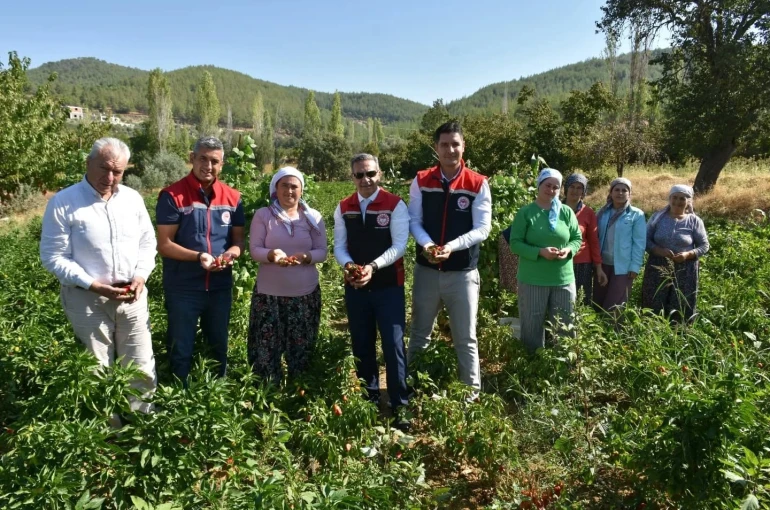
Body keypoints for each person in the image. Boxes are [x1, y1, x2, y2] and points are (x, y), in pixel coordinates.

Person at [40, 137, 157, 423]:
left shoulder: (132, 199)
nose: (110, 177)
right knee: (97, 368)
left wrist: (141, 276)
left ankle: (142, 426)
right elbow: (53, 256)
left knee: (141, 364)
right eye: (104, 169)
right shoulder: (64, 202)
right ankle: (107, 436)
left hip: (132, 297)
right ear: (88, 163)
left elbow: (147, 242)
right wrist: (93, 285)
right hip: (87, 299)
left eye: (118, 172)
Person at [407, 121, 491, 395]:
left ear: (463, 146)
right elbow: (414, 221)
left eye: (455, 144)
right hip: (427, 271)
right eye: (444, 144)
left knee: (465, 337)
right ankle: (414, 388)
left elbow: (483, 228)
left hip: (462, 272)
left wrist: (451, 247)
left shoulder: (477, 183)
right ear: (436, 148)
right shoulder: (421, 180)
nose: (450, 149)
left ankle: (470, 395)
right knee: (420, 333)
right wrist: (429, 244)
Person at [156, 136, 245, 382]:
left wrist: (230, 255)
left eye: (214, 161)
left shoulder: (233, 198)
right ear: (192, 158)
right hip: (183, 286)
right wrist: (199, 256)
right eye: (203, 158)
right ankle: (179, 398)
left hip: (219, 287)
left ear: (222, 164)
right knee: (181, 346)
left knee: (218, 345)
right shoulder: (173, 196)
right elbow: (164, 245)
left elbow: (238, 242)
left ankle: (216, 398)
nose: (208, 165)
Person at [333, 154, 410, 426]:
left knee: (393, 344)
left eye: (370, 174)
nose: (365, 180)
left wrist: (373, 267)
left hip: (388, 286)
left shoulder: (394, 205)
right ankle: (370, 400)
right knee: (362, 343)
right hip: (356, 287)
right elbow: (339, 246)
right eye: (359, 175)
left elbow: (399, 245)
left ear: (380, 174)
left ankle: (401, 404)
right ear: (351, 177)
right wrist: (350, 266)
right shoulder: (344, 207)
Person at [248, 167, 327, 382]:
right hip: (268, 296)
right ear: (276, 188)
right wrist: (272, 255)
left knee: (301, 347)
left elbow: (322, 251)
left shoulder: (313, 217)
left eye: (294, 186)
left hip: (304, 295)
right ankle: (267, 394)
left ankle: (298, 392)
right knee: (267, 348)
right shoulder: (263, 215)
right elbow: (255, 249)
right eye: (284, 185)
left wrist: (306, 257)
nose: (289, 191)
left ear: (301, 190)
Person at [508, 168, 583, 353]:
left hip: (563, 279)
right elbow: (515, 244)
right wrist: (540, 252)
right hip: (533, 279)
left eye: (556, 187)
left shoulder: (566, 212)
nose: (551, 190)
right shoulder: (526, 212)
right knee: (532, 325)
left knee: (566, 324)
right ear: (539, 185)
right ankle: (533, 366)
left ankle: (563, 367)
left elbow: (576, 239)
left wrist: (569, 250)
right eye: (547, 185)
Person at [642, 184, 710, 322]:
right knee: (654, 299)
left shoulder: (694, 221)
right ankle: (650, 328)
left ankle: (680, 333)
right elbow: (645, 240)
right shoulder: (658, 218)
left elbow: (704, 246)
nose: (677, 202)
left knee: (680, 301)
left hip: (685, 268)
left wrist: (687, 255)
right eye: (675, 197)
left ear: (688, 201)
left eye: (682, 199)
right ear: (669, 198)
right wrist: (658, 250)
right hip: (657, 266)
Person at [593, 178, 646, 312]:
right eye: (617, 189)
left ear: (629, 194)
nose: (620, 193)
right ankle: (596, 331)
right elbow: (595, 237)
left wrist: (635, 266)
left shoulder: (636, 215)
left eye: (624, 190)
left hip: (623, 267)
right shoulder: (602, 212)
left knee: (615, 304)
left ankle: (613, 331)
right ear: (611, 192)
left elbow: (639, 243)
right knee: (598, 301)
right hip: (602, 265)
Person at [564, 173, 608, 305]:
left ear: (583, 192)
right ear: (566, 188)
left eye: (579, 188)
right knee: (560, 296)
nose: (575, 190)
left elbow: (594, 241)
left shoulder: (588, 212)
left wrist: (598, 267)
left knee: (581, 299)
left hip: (582, 262)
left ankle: (580, 325)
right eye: (572, 186)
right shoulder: (555, 208)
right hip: (558, 260)